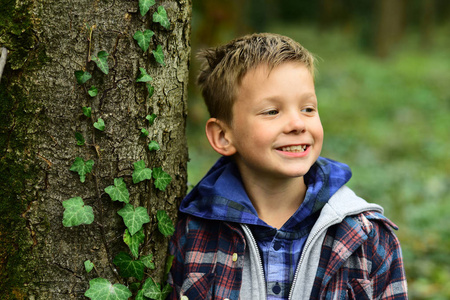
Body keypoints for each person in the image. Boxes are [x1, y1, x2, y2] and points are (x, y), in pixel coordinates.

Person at [167, 33, 408, 300]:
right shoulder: (192, 233)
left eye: (308, 108)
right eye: (272, 111)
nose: (297, 124)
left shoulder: (367, 236)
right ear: (224, 136)